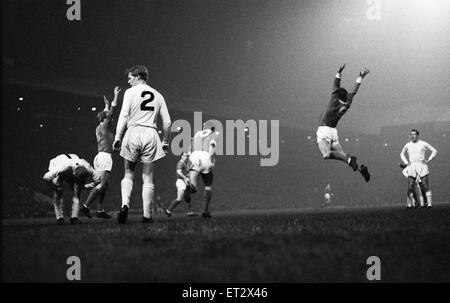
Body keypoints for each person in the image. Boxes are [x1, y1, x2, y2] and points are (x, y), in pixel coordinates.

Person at [113, 65, 171, 224]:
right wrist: (165, 141)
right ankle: (147, 216)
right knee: (148, 177)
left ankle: (125, 205)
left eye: (130, 77)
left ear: (139, 76)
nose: (128, 81)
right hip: (151, 134)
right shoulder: (158, 95)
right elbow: (167, 122)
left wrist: (118, 136)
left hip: (133, 131)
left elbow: (124, 115)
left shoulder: (130, 92)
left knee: (128, 173)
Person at [317, 64, 371, 182]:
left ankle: (350, 160)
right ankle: (361, 169)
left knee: (326, 154)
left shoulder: (334, 101)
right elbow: (354, 91)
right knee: (343, 155)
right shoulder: (348, 102)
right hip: (333, 132)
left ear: (337, 95)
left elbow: (335, 86)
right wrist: (360, 77)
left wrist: (339, 72)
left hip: (325, 130)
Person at [81, 86, 121, 219]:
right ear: (105, 119)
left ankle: (100, 210)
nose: (112, 120)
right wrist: (115, 96)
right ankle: (86, 206)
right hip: (104, 157)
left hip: (99, 156)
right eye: (109, 118)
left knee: (105, 185)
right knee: (102, 184)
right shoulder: (105, 125)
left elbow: (106, 114)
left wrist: (105, 105)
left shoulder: (99, 127)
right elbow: (112, 111)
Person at [43, 153, 100, 224]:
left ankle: (74, 217)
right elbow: (46, 177)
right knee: (58, 191)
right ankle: (59, 218)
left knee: (78, 191)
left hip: (70, 164)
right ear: (73, 174)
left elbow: (98, 180)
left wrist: (85, 186)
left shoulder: (88, 167)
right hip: (56, 163)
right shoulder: (62, 167)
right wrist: (53, 186)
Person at [400, 129, 437, 208]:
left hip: (421, 165)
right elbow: (402, 154)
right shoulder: (407, 145)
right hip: (412, 166)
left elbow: (434, 151)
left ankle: (429, 204)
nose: (412, 136)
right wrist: (406, 162)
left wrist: (429, 159)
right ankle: (410, 204)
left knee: (425, 185)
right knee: (410, 186)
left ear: (417, 135)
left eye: (414, 134)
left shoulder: (423, 143)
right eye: (411, 134)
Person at [185, 126, 217, 218]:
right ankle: (205, 211)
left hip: (194, 156)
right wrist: (211, 157)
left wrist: (190, 157)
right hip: (206, 157)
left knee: (193, 185)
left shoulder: (197, 134)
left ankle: (190, 187)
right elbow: (212, 146)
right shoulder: (212, 134)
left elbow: (190, 148)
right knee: (208, 186)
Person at [164, 152, 197, 217]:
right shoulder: (180, 163)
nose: (186, 157)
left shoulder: (186, 163)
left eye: (187, 156)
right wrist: (186, 178)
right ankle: (168, 211)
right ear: (181, 156)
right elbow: (178, 172)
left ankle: (190, 212)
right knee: (179, 199)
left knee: (188, 197)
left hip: (184, 182)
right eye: (184, 156)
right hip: (181, 182)